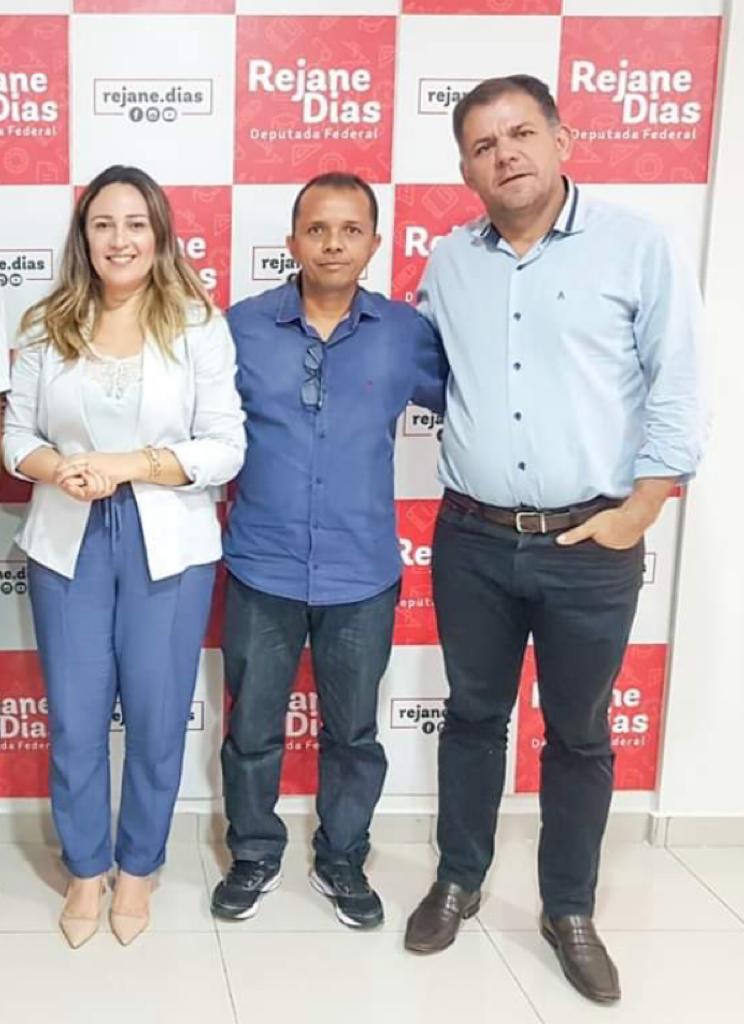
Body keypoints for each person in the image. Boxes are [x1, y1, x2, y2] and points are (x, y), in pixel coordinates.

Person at [404, 76, 704, 1003]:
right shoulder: (449, 262)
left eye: (521, 133)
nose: (506, 155)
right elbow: (428, 376)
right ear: (466, 171)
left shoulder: (635, 247)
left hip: (593, 543)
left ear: (562, 139)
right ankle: (458, 878)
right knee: (472, 717)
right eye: (483, 146)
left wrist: (641, 509)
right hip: (473, 537)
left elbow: (677, 383)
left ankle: (567, 908)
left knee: (578, 734)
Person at [2, 165, 245, 948]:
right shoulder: (47, 323)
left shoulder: (199, 324)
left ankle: (138, 867)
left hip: (168, 544)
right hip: (66, 542)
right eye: (103, 224)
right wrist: (60, 468)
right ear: (83, 237)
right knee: (75, 719)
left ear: (159, 234)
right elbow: (16, 438)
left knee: (156, 715)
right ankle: (85, 867)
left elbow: (226, 446)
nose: (120, 239)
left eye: (135, 223)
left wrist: (129, 465)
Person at [210, 172, 447, 929]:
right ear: (293, 242)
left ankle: (342, 857)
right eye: (317, 229)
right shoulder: (241, 328)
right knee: (253, 728)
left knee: (353, 734)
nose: (333, 244)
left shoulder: (405, 332)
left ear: (374, 243)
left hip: (361, 572)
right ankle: (253, 853)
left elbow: (476, 404)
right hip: (262, 565)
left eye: (350, 230)